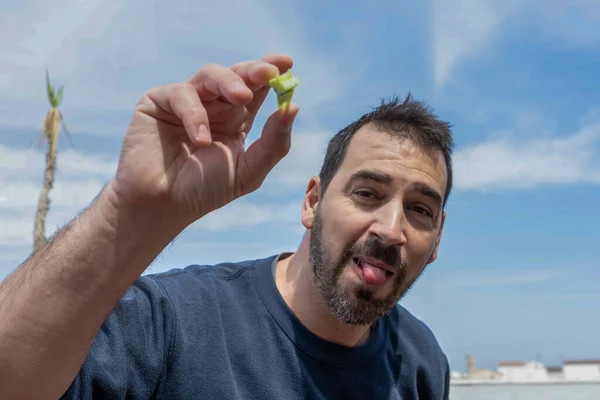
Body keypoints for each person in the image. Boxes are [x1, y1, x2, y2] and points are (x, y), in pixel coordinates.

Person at [0, 53, 454, 399]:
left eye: (420, 210)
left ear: (436, 241)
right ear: (313, 202)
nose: (392, 228)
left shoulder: (420, 361)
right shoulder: (172, 323)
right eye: (367, 194)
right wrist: (130, 208)